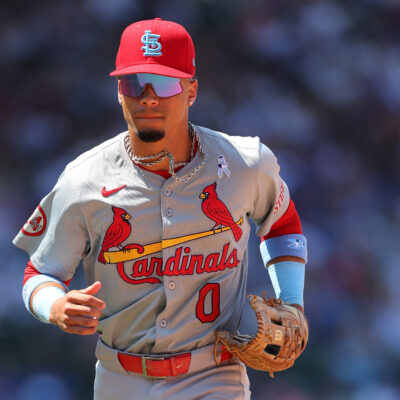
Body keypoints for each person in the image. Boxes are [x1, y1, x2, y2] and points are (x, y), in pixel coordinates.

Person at [13, 18, 308, 399]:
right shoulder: (83, 180)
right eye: (133, 83)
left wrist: (294, 303)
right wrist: (53, 305)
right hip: (120, 379)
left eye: (165, 83)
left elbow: (282, 222)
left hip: (214, 375)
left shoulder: (244, 163)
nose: (148, 97)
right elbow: (39, 272)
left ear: (191, 91)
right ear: (119, 92)